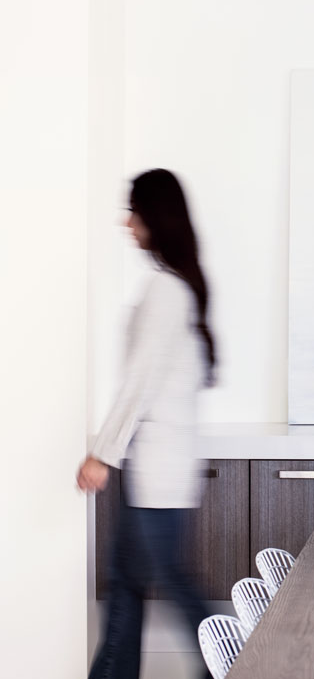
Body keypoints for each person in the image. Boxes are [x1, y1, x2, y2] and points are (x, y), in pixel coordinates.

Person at [78, 168, 216, 679]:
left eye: (132, 210)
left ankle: (243, 663)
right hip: (161, 471)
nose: (125, 221)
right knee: (130, 588)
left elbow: (139, 381)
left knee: (166, 586)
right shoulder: (180, 288)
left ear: (154, 216)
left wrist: (101, 453)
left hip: (158, 473)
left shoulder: (166, 291)